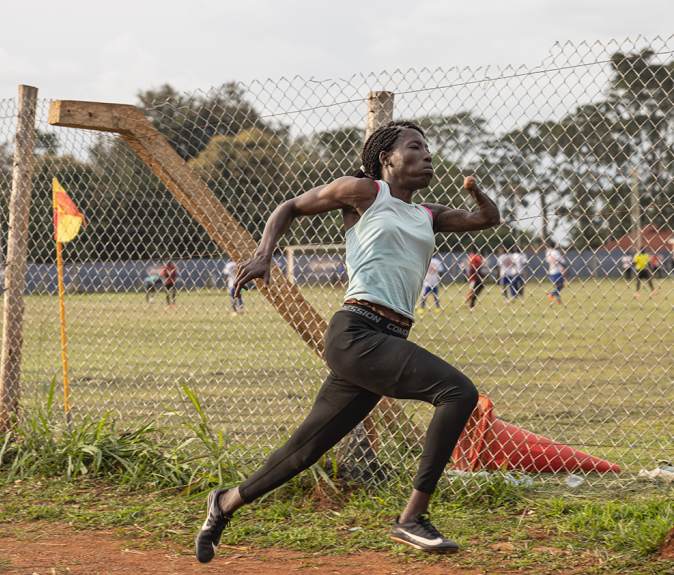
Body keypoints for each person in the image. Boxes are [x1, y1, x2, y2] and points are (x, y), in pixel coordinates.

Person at [194, 121, 500, 561]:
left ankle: (224, 502)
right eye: (415, 147)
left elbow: (485, 220)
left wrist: (476, 194)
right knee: (458, 392)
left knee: (304, 451)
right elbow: (289, 207)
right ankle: (411, 518)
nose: (427, 155)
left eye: (428, 148)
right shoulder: (363, 193)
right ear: (386, 159)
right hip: (357, 330)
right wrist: (264, 256)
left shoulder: (426, 214)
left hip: (387, 337)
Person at [545, 240, 565, 305]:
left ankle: (558, 300)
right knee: (561, 285)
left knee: (557, 286)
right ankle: (552, 294)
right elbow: (558, 260)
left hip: (551, 270)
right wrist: (564, 266)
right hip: (557, 270)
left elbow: (548, 262)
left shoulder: (548, 252)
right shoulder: (556, 252)